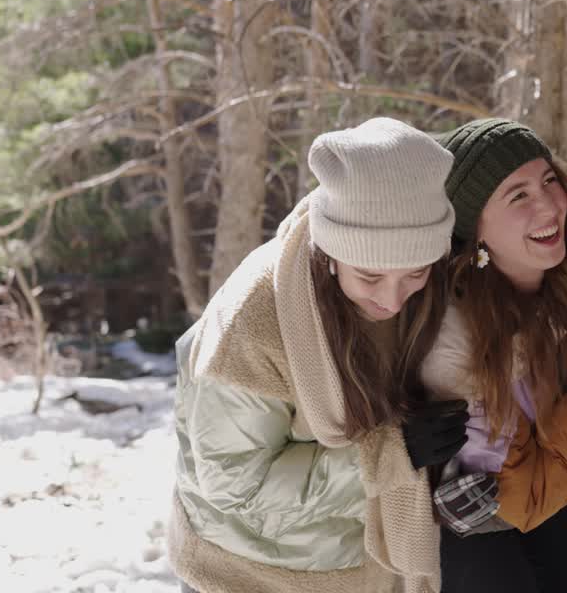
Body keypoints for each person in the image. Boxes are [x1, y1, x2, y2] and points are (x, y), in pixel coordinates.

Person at [168, 117, 470, 593]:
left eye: (414, 273)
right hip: (247, 573)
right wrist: (392, 454)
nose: (392, 300)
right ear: (329, 252)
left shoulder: (427, 294)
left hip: (362, 566)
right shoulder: (251, 323)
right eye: (369, 277)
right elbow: (234, 487)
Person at [420, 118, 567, 593]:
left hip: (553, 476)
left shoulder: (564, 234)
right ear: (475, 226)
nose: (548, 205)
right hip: (484, 518)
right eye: (517, 195)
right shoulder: (456, 343)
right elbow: (525, 496)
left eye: (550, 180)